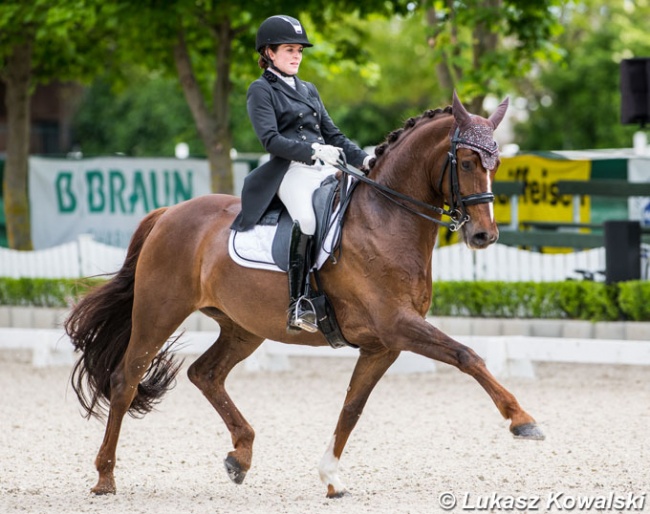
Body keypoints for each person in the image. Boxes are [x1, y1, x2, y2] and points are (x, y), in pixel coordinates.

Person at [231, 14, 371, 334]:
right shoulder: (261, 90)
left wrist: (365, 160)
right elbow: (270, 139)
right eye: (290, 49)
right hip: (291, 171)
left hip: (325, 168)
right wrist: (311, 151)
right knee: (307, 221)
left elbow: (333, 135)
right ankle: (298, 303)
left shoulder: (308, 89)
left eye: (300, 51)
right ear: (269, 53)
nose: (297, 56)